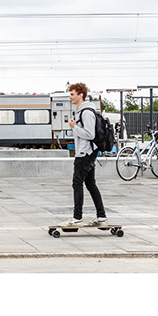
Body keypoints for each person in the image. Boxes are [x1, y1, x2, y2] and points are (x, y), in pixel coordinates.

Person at [64, 81, 107, 227]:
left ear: (80, 95)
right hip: (87, 151)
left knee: (77, 183)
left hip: (85, 153)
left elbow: (90, 134)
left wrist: (74, 127)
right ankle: (101, 216)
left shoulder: (87, 112)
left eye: (72, 94)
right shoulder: (82, 111)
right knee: (90, 184)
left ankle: (77, 218)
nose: (70, 97)